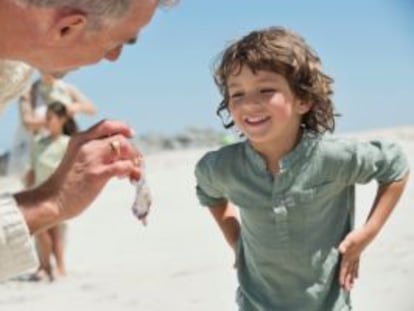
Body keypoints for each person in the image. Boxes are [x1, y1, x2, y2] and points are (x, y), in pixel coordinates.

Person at [194, 26, 409, 310]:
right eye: (237, 94)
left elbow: (395, 166)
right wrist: (237, 243)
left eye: (266, 90)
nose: (250, 103)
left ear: (303, 99)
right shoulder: (224, 166)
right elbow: (209, 192)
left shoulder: (333, 157)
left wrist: (366, 235)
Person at [0, 0, 176, 281]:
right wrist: (49, 202)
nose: (114, 57)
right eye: (119, 43)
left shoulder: (17, 69)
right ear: (67, 28)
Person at [25, 101, 78, 281]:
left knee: (56, 231)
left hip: (58, 193)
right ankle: (46, 266)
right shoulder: (39, 142)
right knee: (40, 230)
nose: (46, 122)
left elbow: (72, 169)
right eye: (45, 118)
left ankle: (59, 266)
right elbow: (32, 169)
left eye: (50, 118)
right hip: (39, 193)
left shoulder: (67, 143)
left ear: (62, 119)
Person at [8, 72, 96, 180]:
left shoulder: (67, 88)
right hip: (40, 149)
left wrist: (72, 108)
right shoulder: (30, 92)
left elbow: (91, 109)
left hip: (67, 144)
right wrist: (52, 119)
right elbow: (27, 122)